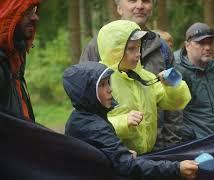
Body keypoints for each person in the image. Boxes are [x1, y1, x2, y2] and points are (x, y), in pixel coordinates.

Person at [63, 62, 198, 179]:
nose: (110, 90)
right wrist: (177, 168)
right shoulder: (94, 126)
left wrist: (120, 154)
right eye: (102, 85)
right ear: (87, 93)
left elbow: (97, 155)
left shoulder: (80, 117)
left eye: (109, 83)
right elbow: (128, 166)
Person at [80, 0, 181, 150]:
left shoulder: (162, 48)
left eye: (146, 1)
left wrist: (173, 146)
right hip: (112, 150)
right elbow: (83, 100)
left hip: (158, 149)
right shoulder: (98, 45)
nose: (140, 5)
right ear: (119, 8)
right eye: (132, 0)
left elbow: (174, 103)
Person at [97, 20, 191, 154]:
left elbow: (177, 103)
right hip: (113, 159)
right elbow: (89, 125)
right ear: (114, 50)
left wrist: (173, 84)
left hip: (147, 156)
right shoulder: (100, 80)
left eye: (139, 47)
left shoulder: (145, 77)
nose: (138, 54)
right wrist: (123, 122)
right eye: (131, 48)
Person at [0, 0, 40, 122]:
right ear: (8, 14)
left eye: (34, 10)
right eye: (27, 11)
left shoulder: (15, 55)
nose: (35, 17)